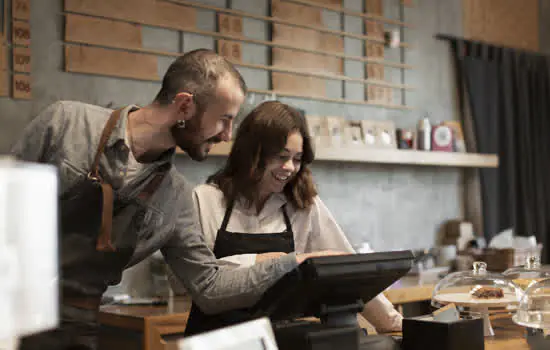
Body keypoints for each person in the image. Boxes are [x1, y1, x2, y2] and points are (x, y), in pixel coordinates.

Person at [10, 50, 338, 350]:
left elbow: (210, 287)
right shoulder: (67, 124)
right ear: (184, 107)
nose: (227, 135)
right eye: (224, 119)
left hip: (74, 329)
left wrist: (293, 264)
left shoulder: (175, 197)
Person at [175, 101, 403, 336]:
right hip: (215, 341)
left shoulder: (303, 204)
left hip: (279, 341)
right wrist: (281, 260)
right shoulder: (205, 199)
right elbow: (203, 280)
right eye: (281, 156)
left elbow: (348, 270)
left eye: (297, 159)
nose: (289, 167)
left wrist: (392, 322)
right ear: (252, 152)